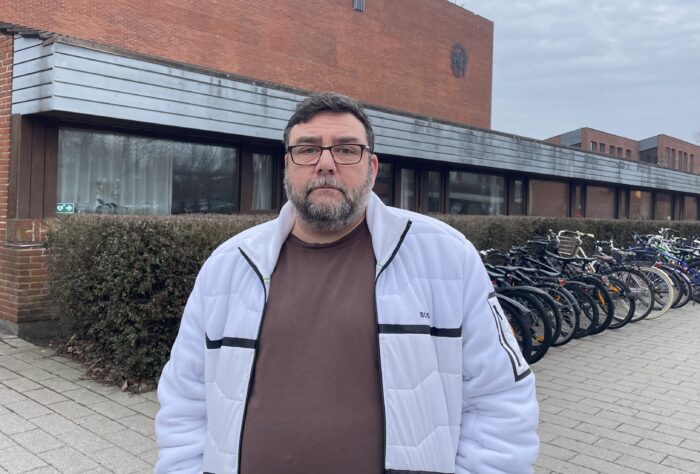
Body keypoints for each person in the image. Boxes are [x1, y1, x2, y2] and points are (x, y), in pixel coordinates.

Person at [155, 92, 539, 473]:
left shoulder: (446, 257)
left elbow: (500, 397)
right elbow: (185, 401)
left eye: (346, 149)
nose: (325, 164)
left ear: (372, 167)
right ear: (287, 166)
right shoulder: (228, 265)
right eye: (308, 149)